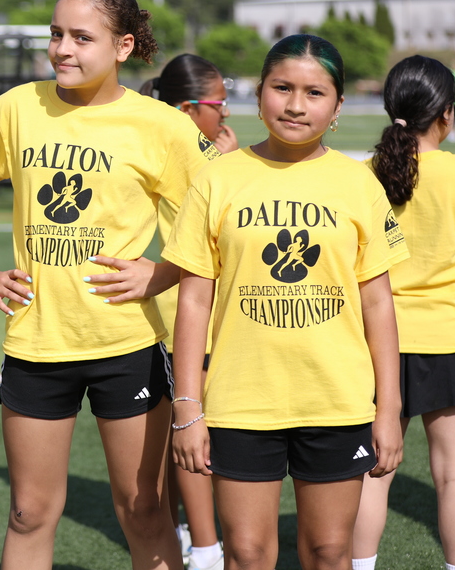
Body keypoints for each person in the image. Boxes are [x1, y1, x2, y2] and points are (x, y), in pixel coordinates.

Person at [0, 0, 219, 570]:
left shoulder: (162, 126)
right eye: (56, 35)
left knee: (144, 512)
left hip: (129, 346)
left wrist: (160, 273)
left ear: (122, 46)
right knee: (30, 513)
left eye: (81, 37)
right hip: (37, 342)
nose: (63, 49)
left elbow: (221, 214)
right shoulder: (18, 107)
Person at [166, 34, 407, 570]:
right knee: (248, 553)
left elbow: (379, 307)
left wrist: (388, 410)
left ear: (338, 105)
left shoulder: (357, 184)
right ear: (259, 94)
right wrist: (187, 408)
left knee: (327, 551)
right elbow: (192, 302)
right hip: (242, 401)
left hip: (337, 401)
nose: (296, 105)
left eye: (315, 93)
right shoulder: (217, 179)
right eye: (282, 88)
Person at [352, 55, 455, 570]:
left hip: (375, 342)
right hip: (447, 340)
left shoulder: (358, 177)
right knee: (454, 474)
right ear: (446, 115)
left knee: (375, 470)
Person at [140, 53, 231, 570]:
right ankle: (205, 548)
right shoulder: (196, 153)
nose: (225, 114)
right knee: (196, 431)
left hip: (180, 312)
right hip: (190, 314)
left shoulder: (188, 144)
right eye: (217, 104)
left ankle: (184, 537)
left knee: (181, 434)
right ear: (188, 108)